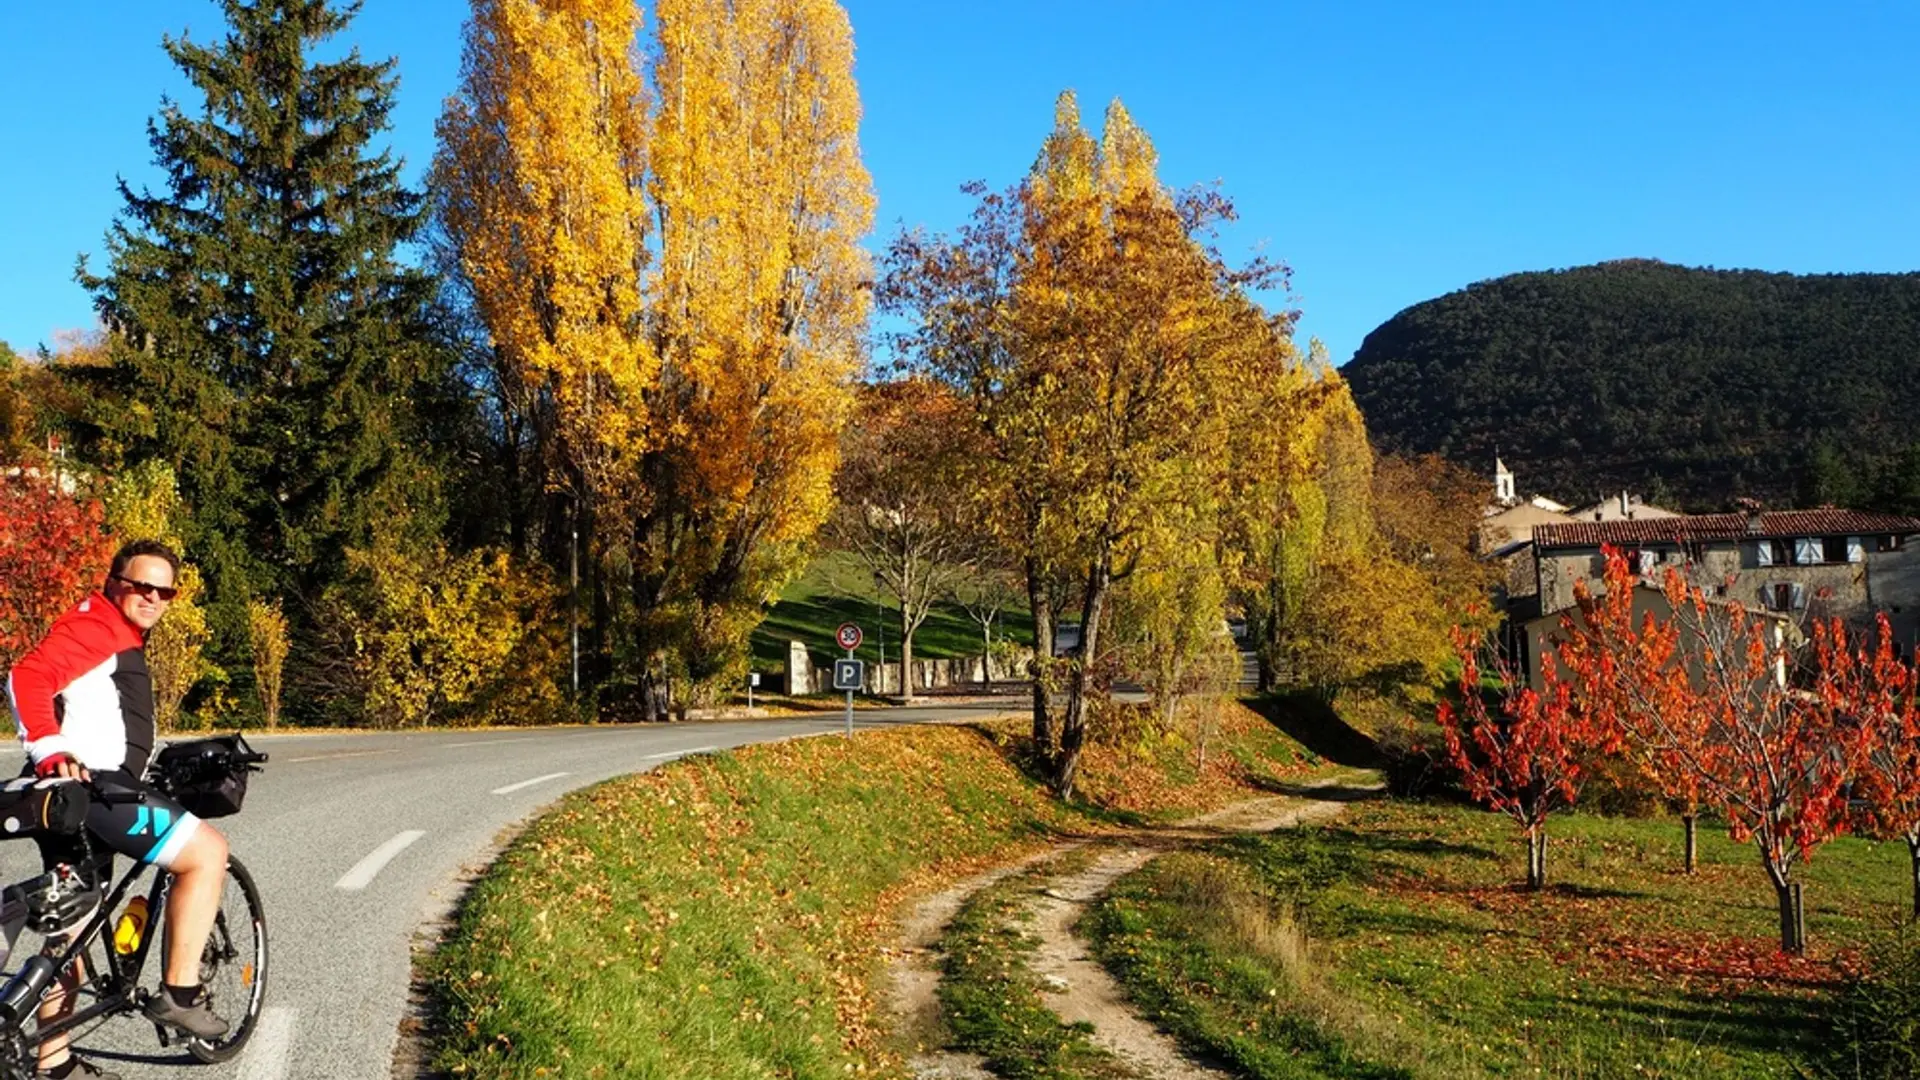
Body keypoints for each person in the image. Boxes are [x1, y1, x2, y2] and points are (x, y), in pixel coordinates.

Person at [4, 540, 231, 1080]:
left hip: (79, 794)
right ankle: (180, 994)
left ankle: (54, 1062)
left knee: (73, 934)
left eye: (164, 591)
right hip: (96, 790)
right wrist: (50, 749)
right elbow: (27, 676)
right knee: (207, 853)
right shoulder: (98, 625)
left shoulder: (116, 632)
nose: (152, 597)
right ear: (114, 584)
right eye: (140, 586)